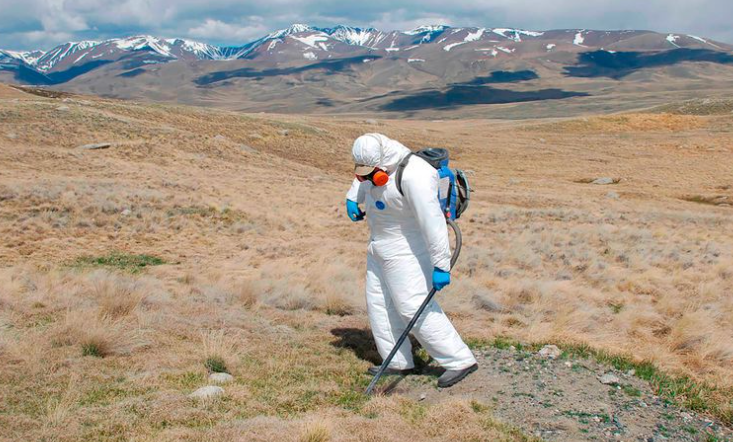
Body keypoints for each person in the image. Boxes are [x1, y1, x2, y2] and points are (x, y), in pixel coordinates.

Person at [346, 133, 478, 388]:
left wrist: (441, 265)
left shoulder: (415, 174)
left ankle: (459, 359)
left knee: (412, 307)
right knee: (379, 304)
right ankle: (396, 360)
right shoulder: (373, 170)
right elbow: (363, 181)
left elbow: (433, 224)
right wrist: (352, 197)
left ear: (383, 161)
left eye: (371, 173)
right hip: (378, 247)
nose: (366, 178)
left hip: (407, 250)